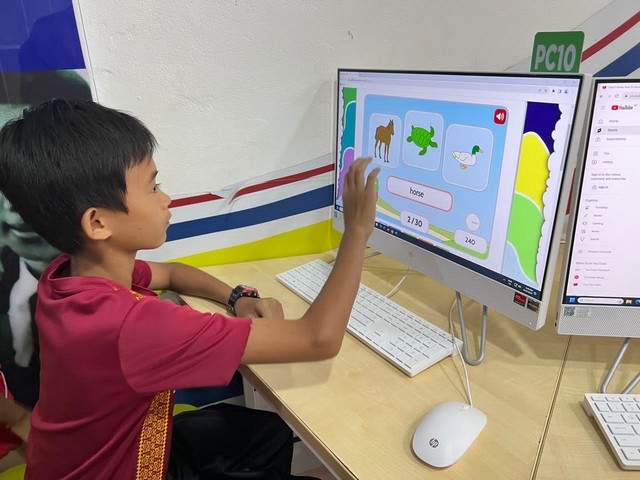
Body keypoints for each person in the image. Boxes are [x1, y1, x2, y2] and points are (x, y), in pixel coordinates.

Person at [0, 99, 379, 479]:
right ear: (98, 223)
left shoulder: (69, 274)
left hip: (99, 452)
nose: (166, 199)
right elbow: (318, 339)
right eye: (152, 188)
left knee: (265, 435)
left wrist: (238, 297)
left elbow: (172, 274)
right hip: (118, 471)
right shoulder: (129, 326)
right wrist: (357, 231)